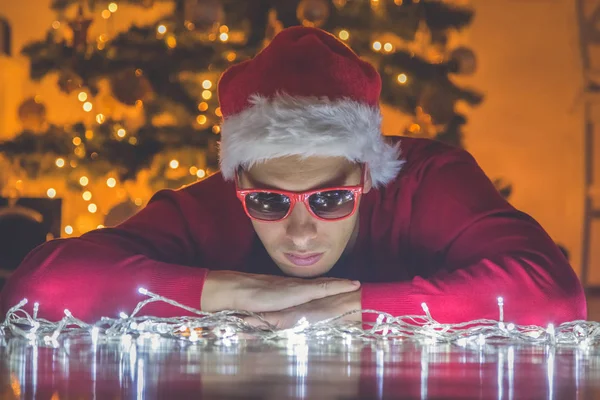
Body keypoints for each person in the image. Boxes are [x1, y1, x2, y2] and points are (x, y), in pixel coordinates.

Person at [0, 27, 586, 329]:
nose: (301, 232)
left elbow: (556, 296)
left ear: (367, 174)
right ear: (239, 182)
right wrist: (236, 292)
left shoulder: (432, 180)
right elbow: (37, 290)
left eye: (332, 198)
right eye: (269, 203)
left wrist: (359, 307)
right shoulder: (217, 204)